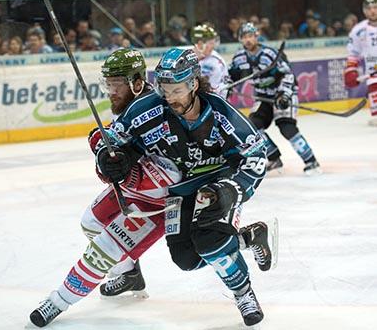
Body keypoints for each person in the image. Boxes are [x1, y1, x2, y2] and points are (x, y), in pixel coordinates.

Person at [29, 48, 275, 327]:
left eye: (177, 90)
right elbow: (108, 137)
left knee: (210, 242)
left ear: (194, 84)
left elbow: (257, 157)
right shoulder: (149, 107)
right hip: (178, 194)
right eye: (165, 89)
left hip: (215, 185)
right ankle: (249, 237)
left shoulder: (220, 114)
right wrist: (110, 159)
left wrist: (231, 191)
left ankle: (244, 294)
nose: (170, 98)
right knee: (186, 260)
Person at [229, 22, 321, 175]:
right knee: (252, 128)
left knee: (287, 128)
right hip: (262, 97)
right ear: (240, 39)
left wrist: (284, 94)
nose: (248, 40)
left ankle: (311, 161)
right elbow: (230, 76)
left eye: (250, 36)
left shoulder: (269, 54)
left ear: (256, 36)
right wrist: (227, 89)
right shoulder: (239, 57)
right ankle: (274, 159)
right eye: (244, 37)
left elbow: (288, 74)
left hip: (282, 94)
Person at [344, 0, 377, 127]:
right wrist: (351, 70)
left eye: (375, 7)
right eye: (369, 8)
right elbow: (353, 53)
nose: (372, 11)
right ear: (364, 11)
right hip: (373, 74)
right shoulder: (358, 31)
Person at [191, 24, 230, 98]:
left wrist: (216, 91)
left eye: (213, 42)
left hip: (210, 103)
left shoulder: (217, 61)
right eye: (210, 43)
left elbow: (224, 85)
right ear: (199, 43)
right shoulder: (184, 58)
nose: (213, 46)